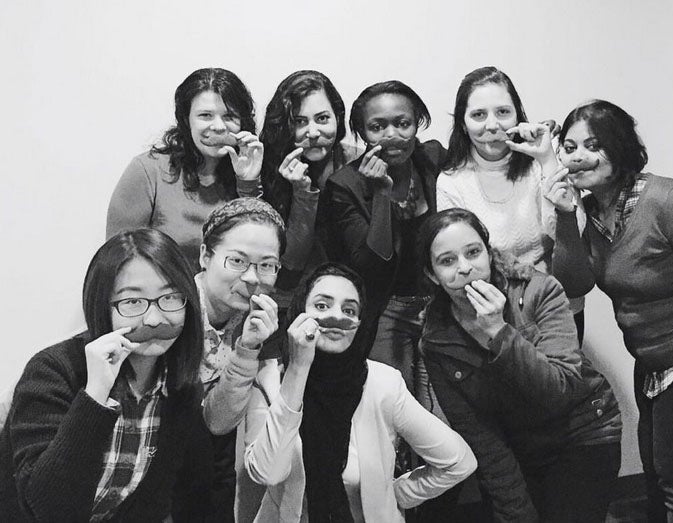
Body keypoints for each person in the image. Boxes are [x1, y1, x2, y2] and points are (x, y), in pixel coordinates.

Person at [546, 99, 673, 522]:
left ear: (621, 147)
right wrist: (565, 215)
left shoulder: (672, 202)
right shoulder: (592, 210)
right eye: (569, 147)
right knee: (660, 483)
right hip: (651, 368)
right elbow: (575, 284)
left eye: (594, 144)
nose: (579, 156)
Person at [419, 208, 622, 522]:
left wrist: (498, 332)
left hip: (582, 429)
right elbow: (482, 437)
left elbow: (559, 390)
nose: (464, 268)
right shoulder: (437, 341)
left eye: (473, 253)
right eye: (447, 261)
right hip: (520, 446)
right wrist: (517, 514)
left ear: (488, 252)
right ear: (432, 274)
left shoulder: (540, 290)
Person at [236, 262, 476, 522]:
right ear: (298, 313)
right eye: (321, 305)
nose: (336, 316)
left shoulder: (383, 384)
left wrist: (396, 495)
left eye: (349, 309)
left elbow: (458, 461)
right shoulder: (268, 380)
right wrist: (298, 368)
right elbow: (267, 472)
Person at [0, 229, 211, 521]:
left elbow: (153, 505)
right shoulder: (52, 371)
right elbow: (48, 507)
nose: (153, 319)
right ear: (102, 305)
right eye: (132, 302)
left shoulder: (182, 388)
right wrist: (95, 395)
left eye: (170, 297)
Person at [437, 66, 587, 343]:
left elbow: (573, 234)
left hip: (555, 307)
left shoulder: (543, 159)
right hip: (492, 313)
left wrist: (546, 161)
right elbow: (459, 260)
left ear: (518, 115)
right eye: (478, 115)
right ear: (462, 123)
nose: (492, 125)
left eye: (503, 112)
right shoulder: (451, 181)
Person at [327, 80, 445, 400]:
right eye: (377, 126)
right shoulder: (345, 185)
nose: (391, 135)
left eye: (402, 123)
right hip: (386, 311)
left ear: (417, 123)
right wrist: (381, 193)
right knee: (393, 408)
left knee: (443, 413)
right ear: (362, 133)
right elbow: (370, 265)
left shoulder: (433, 159)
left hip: (441, 306)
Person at [107, 68, 264, 271]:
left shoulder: (252, 167)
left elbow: (258, 252)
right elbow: (116, 261)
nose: (218, 126)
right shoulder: (148, 170)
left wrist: (248, 183)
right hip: (164, 298)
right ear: (186, 119)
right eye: (205, 115)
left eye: (229, 116)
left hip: (229, 298)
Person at [195, 197, 286, 522]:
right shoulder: (174, 311)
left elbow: (219, 422)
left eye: (266, 265)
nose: (252, 278)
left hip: (209, 453)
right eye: (237, 261)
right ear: (206, 255)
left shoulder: (261, 321)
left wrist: (248, 348)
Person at [259, 70, 361, 292]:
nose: (312, 132)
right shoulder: (266, 167)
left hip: (351, 296)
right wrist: (302, 193)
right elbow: (290, 269)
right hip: (286, 296)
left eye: (322, 118)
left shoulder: (357, 163)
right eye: (299, 121)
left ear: (337, 117)